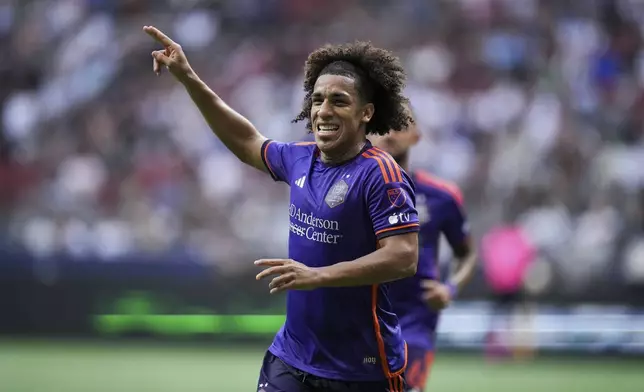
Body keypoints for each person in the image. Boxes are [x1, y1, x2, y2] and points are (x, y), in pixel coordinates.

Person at [144, 26, 420, 392]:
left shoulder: (380, 174)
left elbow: (403, 257)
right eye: (317, 99)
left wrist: (318, 275)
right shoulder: (299, 157)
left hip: (361, 368)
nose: (323, 110)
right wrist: (188, 77)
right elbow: (246, 140)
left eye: (339, 100)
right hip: (291, 358)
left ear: (366, 112)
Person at [370, 105, 477, 392]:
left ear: (417, 135)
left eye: (400, 124)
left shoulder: (441, 196)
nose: (390, 132)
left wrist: (450, 289)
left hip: (415, 322)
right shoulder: (351, 191)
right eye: (382, 125)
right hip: (363, 318)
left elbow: (467, 253)